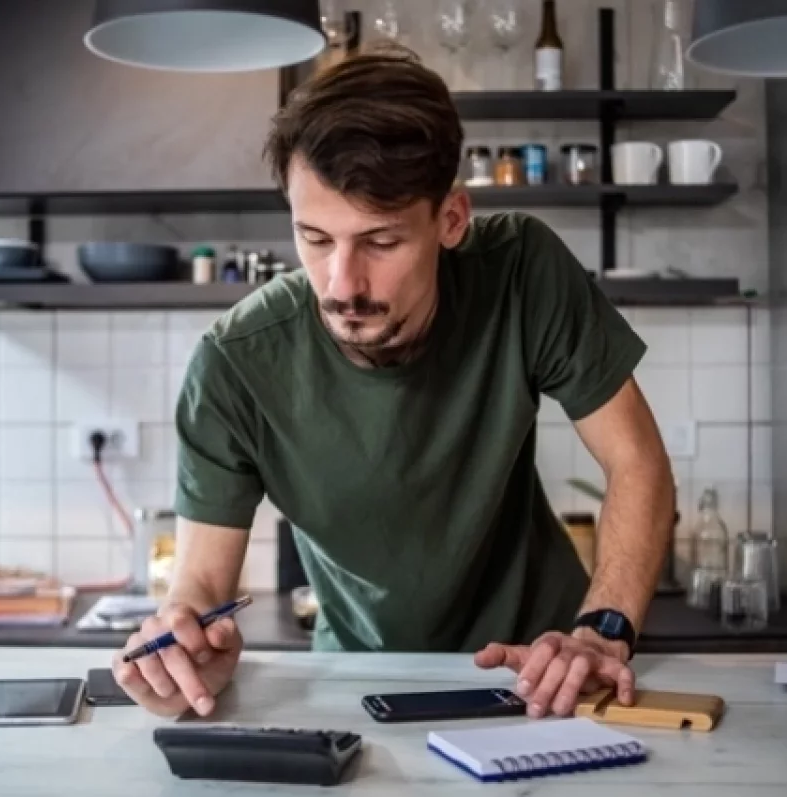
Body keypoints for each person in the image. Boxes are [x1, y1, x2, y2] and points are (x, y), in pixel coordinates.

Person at [113, 45, 675, 723]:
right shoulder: (234, 364)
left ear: (451, 220)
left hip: (545, 672)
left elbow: (637, 460)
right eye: (315, 239)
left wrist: (603, 629)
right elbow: (202, 582)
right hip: (357, 677)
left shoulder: (523, 271)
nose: (342, 285)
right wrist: (184, 642)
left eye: (379, 242)